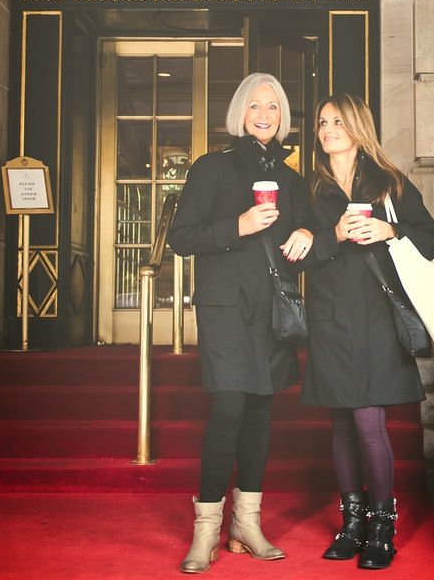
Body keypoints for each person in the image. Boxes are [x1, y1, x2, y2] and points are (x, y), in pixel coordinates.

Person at [282, 93, 434, 570]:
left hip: (376, 318)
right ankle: (352, 522)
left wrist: (391, 232)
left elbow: (429, 240)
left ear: (356, 127)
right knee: (341, 425)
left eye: (337, 121)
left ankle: (382, 525)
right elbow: (296, 259)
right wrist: (327, 234)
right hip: (329, 317)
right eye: (322, 122)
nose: (327, 129)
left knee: (368, 422)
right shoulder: (306, 190)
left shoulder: (387, 182)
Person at [167, 72, 311, 574]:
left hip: (272, 312)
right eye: (256, 106)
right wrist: (238, 226)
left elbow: (305, 226)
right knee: (229, 409)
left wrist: (308, 232)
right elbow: (181, 237)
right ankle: (206, 528)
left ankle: (245, 523)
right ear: (239, 113)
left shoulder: (292, 179)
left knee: (260, 415)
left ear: (283, 116)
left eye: (274, 106)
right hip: (226, 310)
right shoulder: (213, 167)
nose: (265, 114)